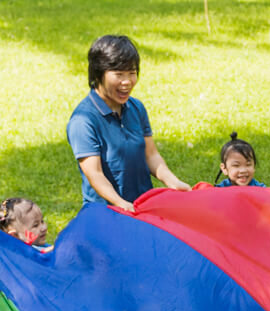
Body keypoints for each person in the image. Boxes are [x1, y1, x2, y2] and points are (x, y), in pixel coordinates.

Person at [66, 35, 191, 211]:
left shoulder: (136, 108)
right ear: (98, 73)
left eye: (132, 73)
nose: (127, 82)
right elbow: (95, 174)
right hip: (106, 213)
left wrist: (172, 181)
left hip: (142, 206)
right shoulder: (83, 121)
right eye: (118, 74)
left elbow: (151, 155)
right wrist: (121, 204)